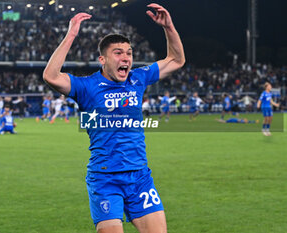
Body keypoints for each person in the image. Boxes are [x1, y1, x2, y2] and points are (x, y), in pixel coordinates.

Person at [42, 3, 185, 233]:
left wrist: (169, 27)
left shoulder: (137, 79)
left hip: (139, 176)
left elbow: (176, 60)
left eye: (129, 53)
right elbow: (50, 76)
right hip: (105, 178)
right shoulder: (87, 86)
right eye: (118, 53)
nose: (126, 58)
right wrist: (71, 35)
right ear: (103, 60)